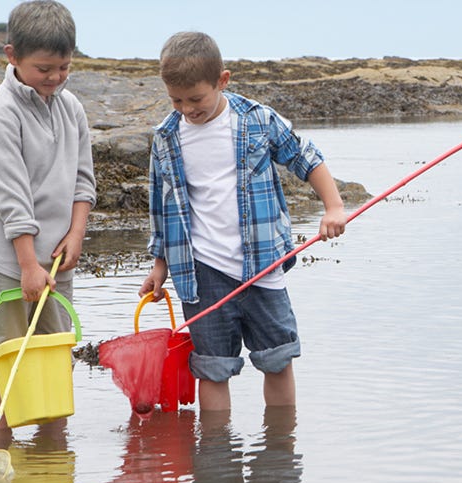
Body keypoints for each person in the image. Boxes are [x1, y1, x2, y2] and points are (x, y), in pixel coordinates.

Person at [139, 31, 346, 411]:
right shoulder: (166, 138)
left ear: (222, 80)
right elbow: (161, 208)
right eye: (177, 100)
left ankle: (279, 453)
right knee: (212, 368)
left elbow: (306, 158)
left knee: (277, 359)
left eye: (196, 99)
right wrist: (159, 266)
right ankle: (218, 463)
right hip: (201, 273)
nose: (187, 109)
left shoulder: (257, 120)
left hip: (263, 265)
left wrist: (333, 207)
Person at [0, 0, 96, 446]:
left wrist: (76, 234)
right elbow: (11, 199)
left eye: (64, 67)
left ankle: (52, 447)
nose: (55, 78)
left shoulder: (72, 108)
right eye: (44, 68)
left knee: (56, 350)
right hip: (9, 261)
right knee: (1, 355)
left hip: (58, 263)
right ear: (12, 56)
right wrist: (27, 264)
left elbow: (84, 180)